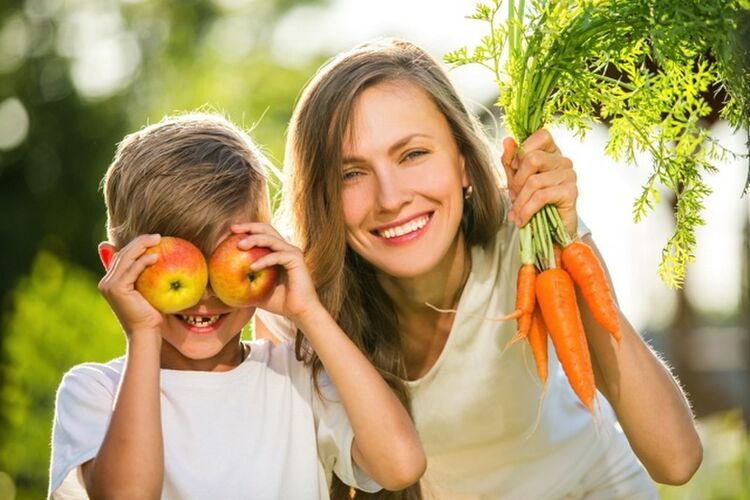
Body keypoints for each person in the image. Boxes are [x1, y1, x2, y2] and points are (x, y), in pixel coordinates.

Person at [255, 39, 703, 499]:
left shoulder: (530, 237)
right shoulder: (297, 307)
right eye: (352, 173)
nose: (390, 198)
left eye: (412, 155)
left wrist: (569, 242)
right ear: (322, 195)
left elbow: (676, 458)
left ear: (465, 163)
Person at [47, 113, 426, 499]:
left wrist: (307, 311)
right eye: (185, 270)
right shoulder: (95, 392)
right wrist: (142, 334)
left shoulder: (296, 378)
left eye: (224, 261)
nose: (204, 295)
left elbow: (400, 465)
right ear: (116, 265)